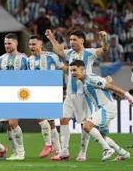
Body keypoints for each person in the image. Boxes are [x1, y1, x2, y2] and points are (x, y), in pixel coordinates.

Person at [46, 29, 109, 161]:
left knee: (84, 125)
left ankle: (83, 152)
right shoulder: (70, 53)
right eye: (70, 40)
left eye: (74, 39)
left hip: (83, 94)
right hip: (70, 93)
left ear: (82, 40)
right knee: (63, 119)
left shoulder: (89, 53)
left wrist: (104, 39)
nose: (71, 42)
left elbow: (104, 49)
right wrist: (51, 38)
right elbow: (59, 51)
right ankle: (64, 151)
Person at [70, 60, 133, 161]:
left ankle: (107, 149)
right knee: (101, 136)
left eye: (75, 70)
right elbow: (104, 83)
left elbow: (111, 87)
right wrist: (105, 79)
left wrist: (128, 96)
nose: (72, 73)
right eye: (71, 71)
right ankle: (123, 153)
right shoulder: (87, 81)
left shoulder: (90, 79)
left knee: (86, 126)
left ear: (82, 70)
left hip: (107, 108)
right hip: (102, 109)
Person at [28, 35, 65, 158]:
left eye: (34, 44)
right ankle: (57, 150)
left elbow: (63, 68)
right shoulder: (30, 60)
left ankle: (49, 145)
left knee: (46, 120)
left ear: (40, 44)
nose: (31, 47)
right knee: (48, 122)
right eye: (30, 44)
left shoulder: (51, 56)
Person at [0, 33, 28, 160]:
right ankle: (15, 152)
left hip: (18, 94)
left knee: (13, 122)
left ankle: (21, 152)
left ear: (16, 43)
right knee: (8, 125)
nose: (7, 46)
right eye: (5, 43)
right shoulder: (0, 59)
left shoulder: (23, 58)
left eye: (9, 43)